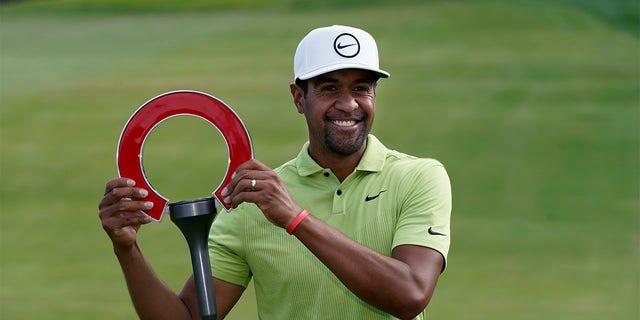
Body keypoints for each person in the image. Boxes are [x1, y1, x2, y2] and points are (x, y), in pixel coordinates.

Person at [99, 25, 451, 320]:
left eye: (361, 88)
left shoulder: (419, 177)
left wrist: (295, 219)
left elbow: (411, 294)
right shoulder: (253, 202)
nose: (348, 104)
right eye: (329, 88)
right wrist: (127, 250)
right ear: (299, 98)